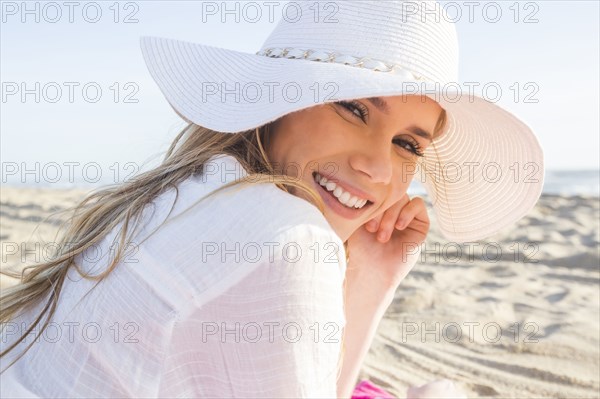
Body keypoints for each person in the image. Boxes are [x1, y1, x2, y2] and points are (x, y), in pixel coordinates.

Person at [0, 1, 544, 398]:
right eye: (353, 109)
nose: (378, 167)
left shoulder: (192, 189)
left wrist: (373, 272)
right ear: (280, 101)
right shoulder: (289, 237)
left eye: (407, 144)